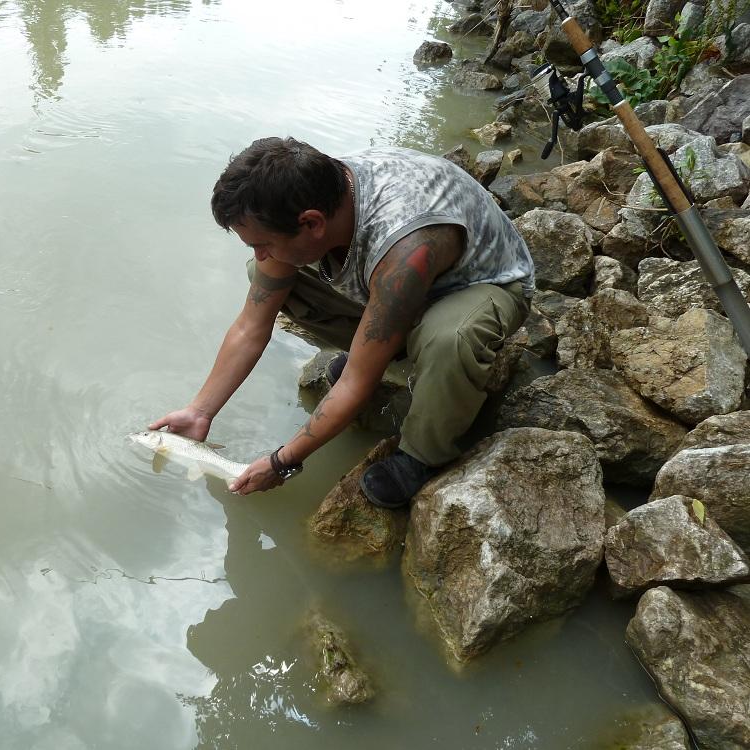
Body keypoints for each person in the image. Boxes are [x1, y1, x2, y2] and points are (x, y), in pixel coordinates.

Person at [150, 137, 534, 508]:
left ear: (312, 223)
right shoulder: (300, 195)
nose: (260, 251)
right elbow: (251, 327)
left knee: (451, 339)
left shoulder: (406, 245)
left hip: (481, 284)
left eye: (261, 242)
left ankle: (422, 454)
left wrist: (283, 461)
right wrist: (200, 411)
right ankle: (386, 350)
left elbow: (355, 384)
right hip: (395, 289)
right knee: (265, 275)